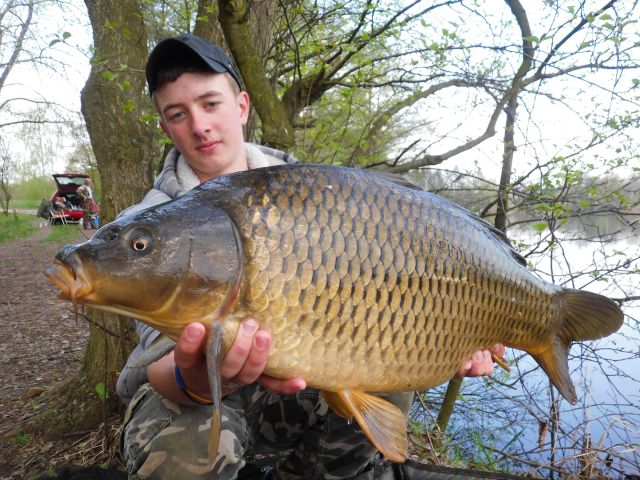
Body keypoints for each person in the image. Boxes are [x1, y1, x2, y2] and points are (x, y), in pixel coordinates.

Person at [116, 34, 506, 479]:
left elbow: (386, 286)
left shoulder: (312, 194)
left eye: (210, 104)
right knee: (185, 439)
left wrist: (457, 329)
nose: (199, 125)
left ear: (241, 106)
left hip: (299, 378)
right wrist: (199, 379)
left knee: (386, 367)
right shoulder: (147, 226)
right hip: (198, 396)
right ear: (165, 127)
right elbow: (155, 369)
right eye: (177, 114)